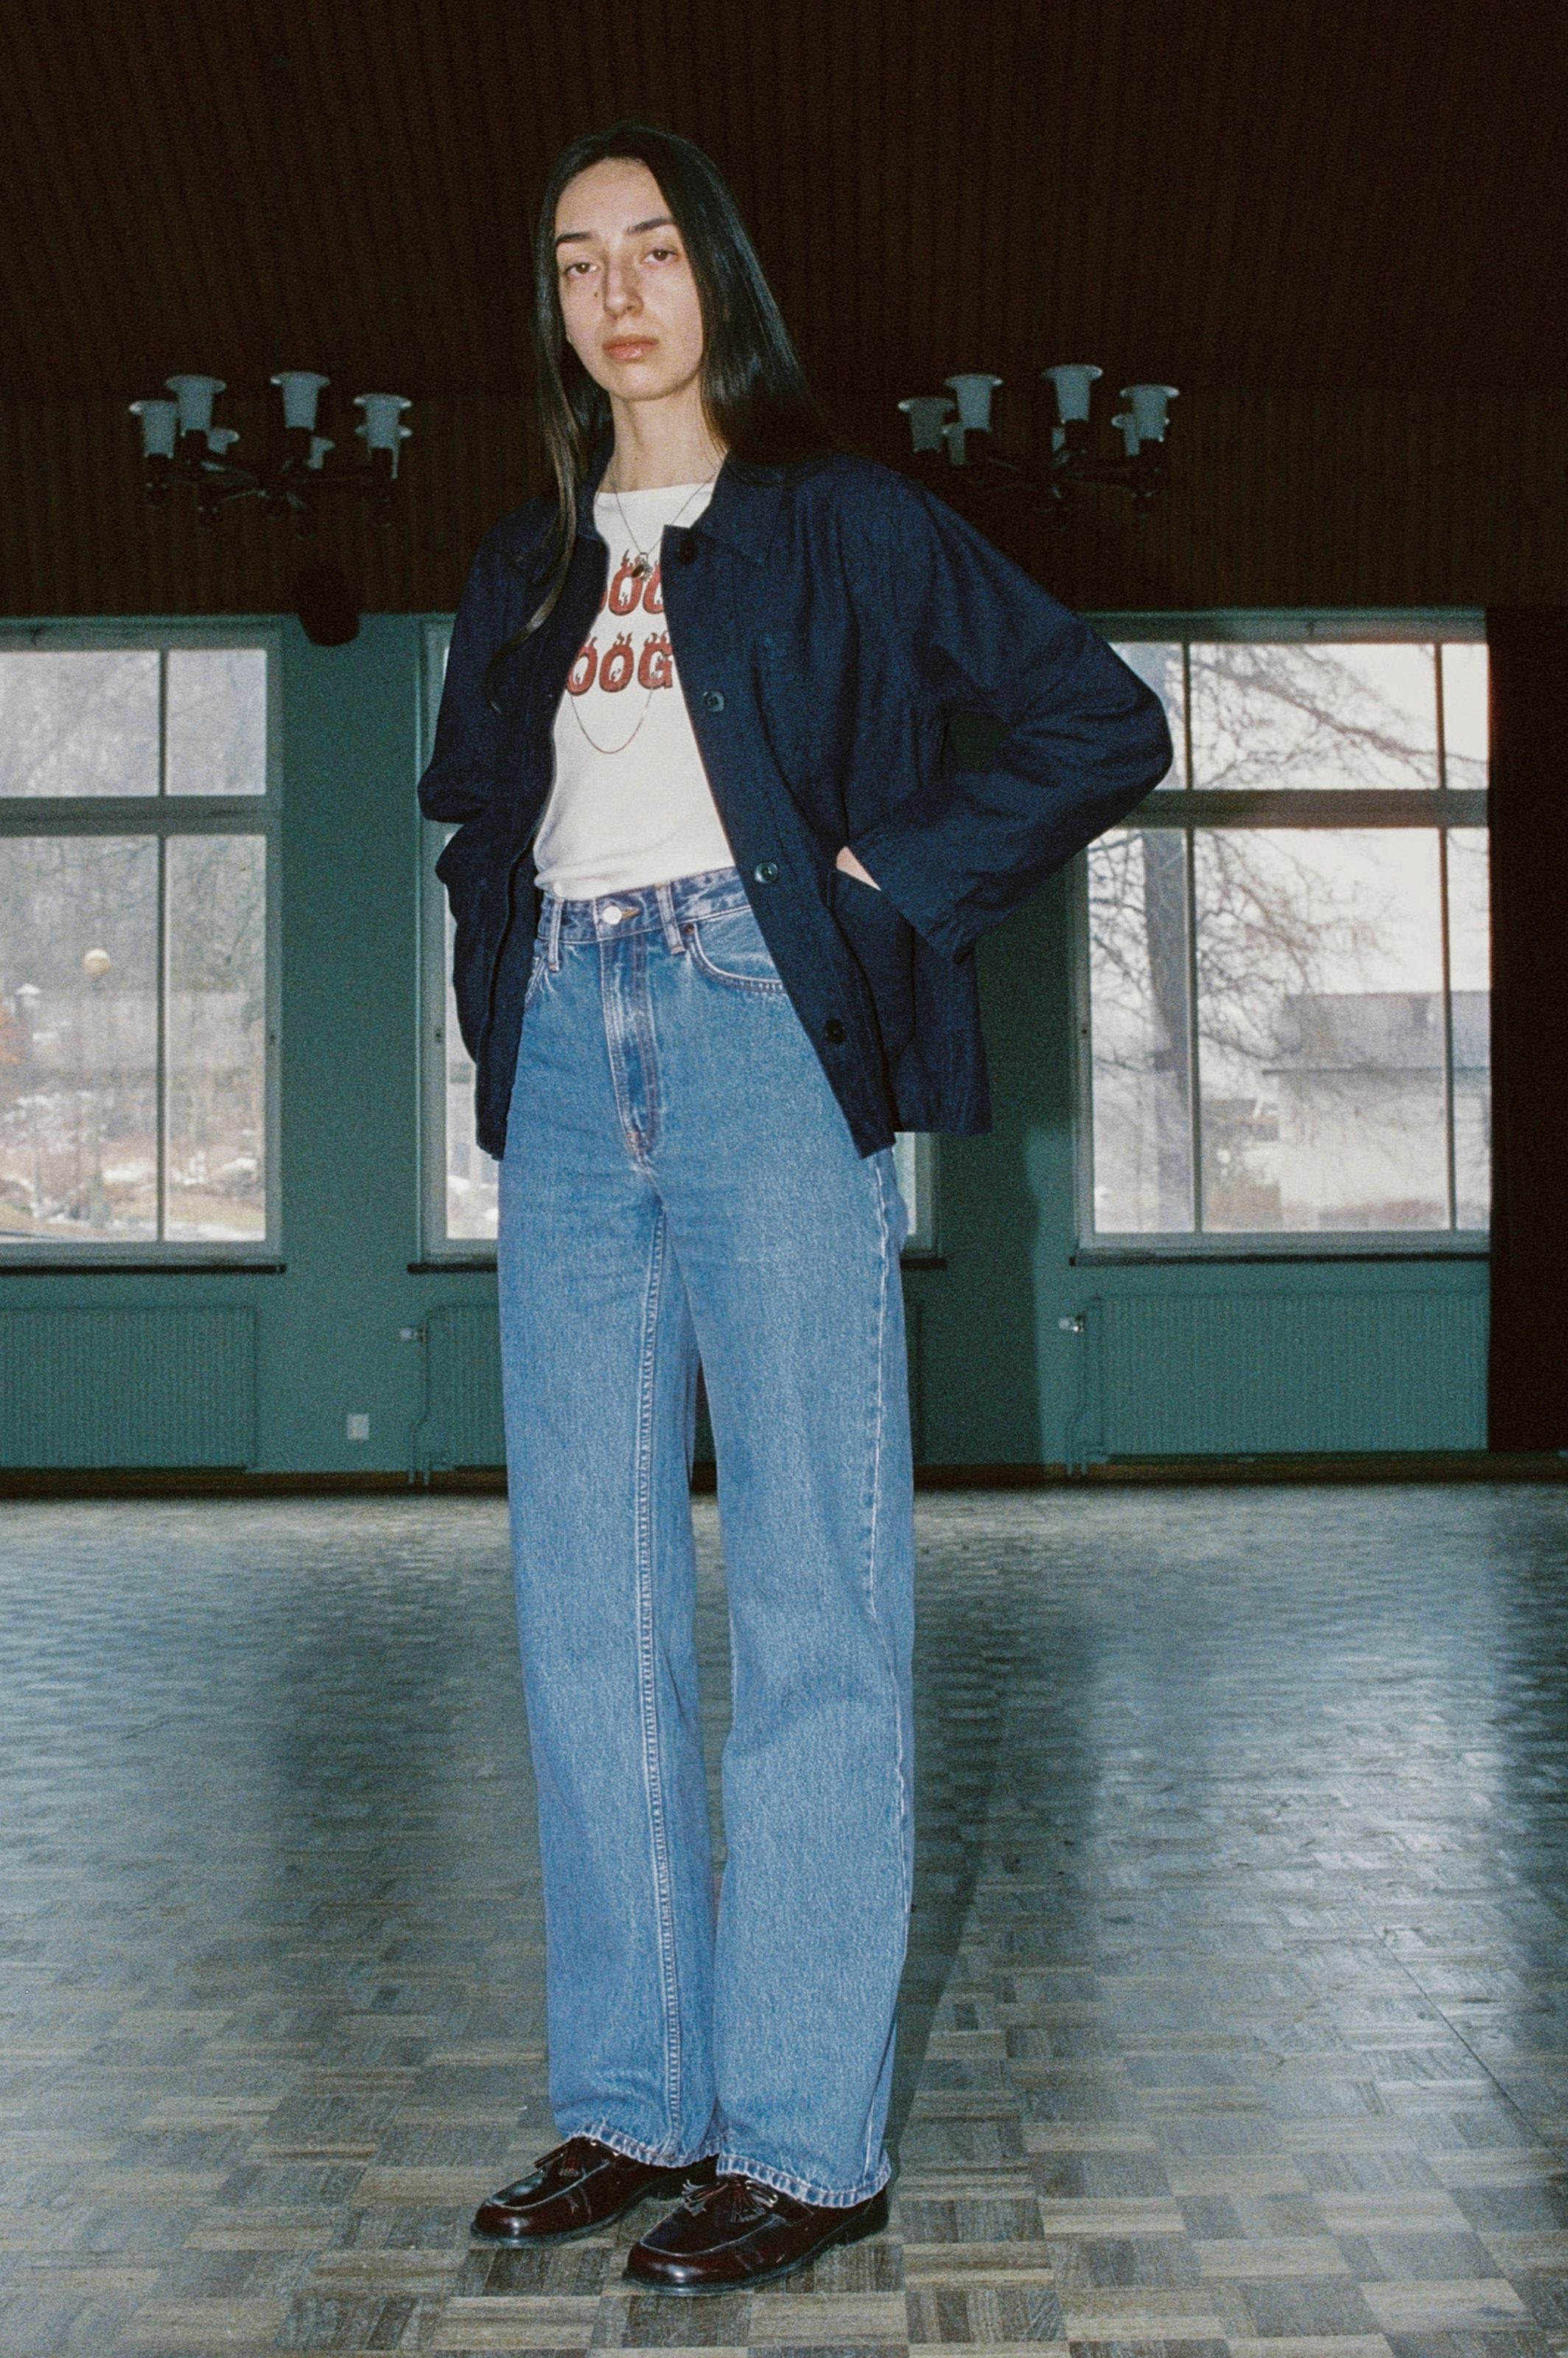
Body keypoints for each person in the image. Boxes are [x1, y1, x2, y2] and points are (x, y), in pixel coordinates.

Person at [418, 122, 1172, 2294]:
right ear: (556, 308)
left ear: (717, 277)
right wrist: (516, 989)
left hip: (762, 1036)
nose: (617, 291)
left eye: (653, 249)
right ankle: (632, 2102)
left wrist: (870, 893)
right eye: (577, 262)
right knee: (584, 1598)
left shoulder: (844, 521)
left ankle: (807, 2141)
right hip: (572, 1052)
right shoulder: (525, 566)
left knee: (818, 1607)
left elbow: (1089, 722)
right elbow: (483, 810)